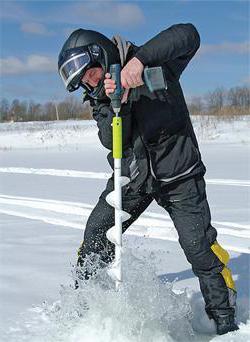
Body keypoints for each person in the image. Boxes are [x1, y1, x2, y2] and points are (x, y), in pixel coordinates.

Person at [58, 23, 239, 335]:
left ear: (98, 53)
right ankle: (87, 311)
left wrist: (139, 63)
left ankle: (222, 317)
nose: (91, 84)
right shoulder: (101, 98)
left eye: (90, 74)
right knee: (95, 233)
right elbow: (112, 142)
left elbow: (189, 35)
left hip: (179, 175)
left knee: (199, 246)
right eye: (84, 83)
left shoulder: (155, 62)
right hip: (132, 180)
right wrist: (119, 105)